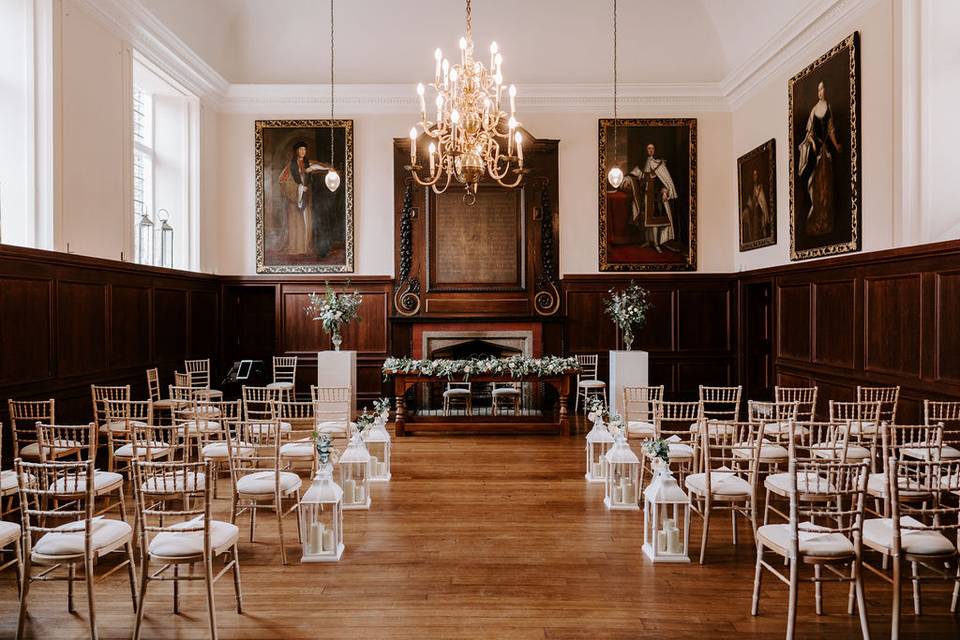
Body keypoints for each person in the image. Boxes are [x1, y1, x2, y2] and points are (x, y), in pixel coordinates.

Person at [797, 80, 842, 236]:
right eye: (818, 89)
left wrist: (836, 145)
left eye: (822, 88)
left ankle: (826, 219)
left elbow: (830, 129)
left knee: (827, 185)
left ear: (826, 90)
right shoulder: (813, 110)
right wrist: (814, 145)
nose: (820, 91)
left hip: (826, 152)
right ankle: (817, 218)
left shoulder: (828, 107)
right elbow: (809, 134)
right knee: (817, 184)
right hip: (816, 152)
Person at [278, 141, 333, 255]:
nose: (303, 151)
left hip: (306, 197)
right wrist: (299, 188)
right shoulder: (291, 165)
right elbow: (282, 181)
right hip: (295, 199)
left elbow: (317, 166)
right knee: (296, 221)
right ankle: (296, 248)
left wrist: (328, 169)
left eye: (304, 149)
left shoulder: (307, 163)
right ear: (296, 151)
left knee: (306, 220)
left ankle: (305, 247)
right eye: (300, 149)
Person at [622, 143, 678, 253]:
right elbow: (634, 176)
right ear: (646, 150)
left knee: (654, 221)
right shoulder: (642, 164)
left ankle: (656, 243)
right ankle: (648, 241)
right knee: (645, 221)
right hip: (645, 196)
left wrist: (665, 191)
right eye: (648, 148)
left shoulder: (659, 164)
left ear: (655, 150)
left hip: (656, 197)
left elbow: (664, 180)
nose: (651, 150)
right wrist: (626, 180)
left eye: (652, 148)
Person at [745, 168, 770, 242]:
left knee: (760, 229)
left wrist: (758, 204)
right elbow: (750, 202)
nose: (755, 177)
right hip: (754, 213)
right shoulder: (751, 189)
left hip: (759, 211)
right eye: (753, 175)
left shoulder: (760, 187)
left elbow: (763, 201)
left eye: (756, 175)